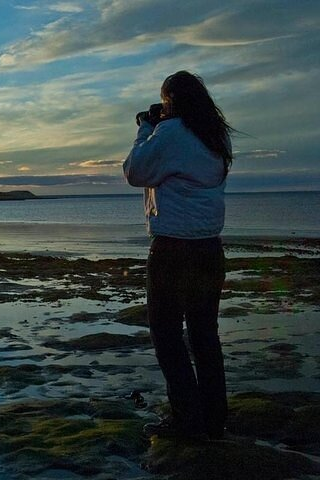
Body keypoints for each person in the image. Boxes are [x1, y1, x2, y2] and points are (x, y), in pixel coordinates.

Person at [123, 70, 234, 440]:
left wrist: (144, 127)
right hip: (209, 247)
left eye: (165, 100)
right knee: (205, 334)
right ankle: (214, 418)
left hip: (173, 247)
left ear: (171, 100)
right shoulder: (215, 136)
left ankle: (187, 420)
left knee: (167, 335)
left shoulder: (170, 133)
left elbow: (135, 171)